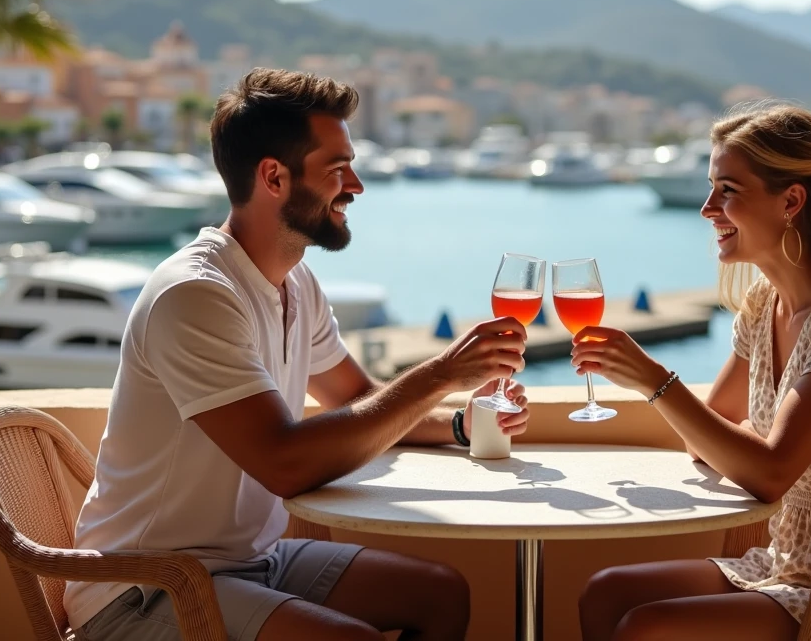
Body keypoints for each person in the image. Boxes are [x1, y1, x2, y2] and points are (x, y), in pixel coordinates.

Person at [64, 68, 531, 641]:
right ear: (273, 177)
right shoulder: (197, 295)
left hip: (249, 563)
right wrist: (442, 373)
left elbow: (359, 402)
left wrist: (462, 423)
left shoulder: (295, 283)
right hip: (145, 586)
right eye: (337, 169)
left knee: (438, 595)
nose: (356, 185)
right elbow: (284, 463)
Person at [571, 103, 811, 641]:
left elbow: (771, 472)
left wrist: (654, 381)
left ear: (791, 201)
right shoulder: (763, 303)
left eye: (728, 189)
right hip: (787, 563)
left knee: (648, 626)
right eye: (711, 187)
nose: (708, 208)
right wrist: (739, 432)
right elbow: (706, 443)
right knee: (607, 591)